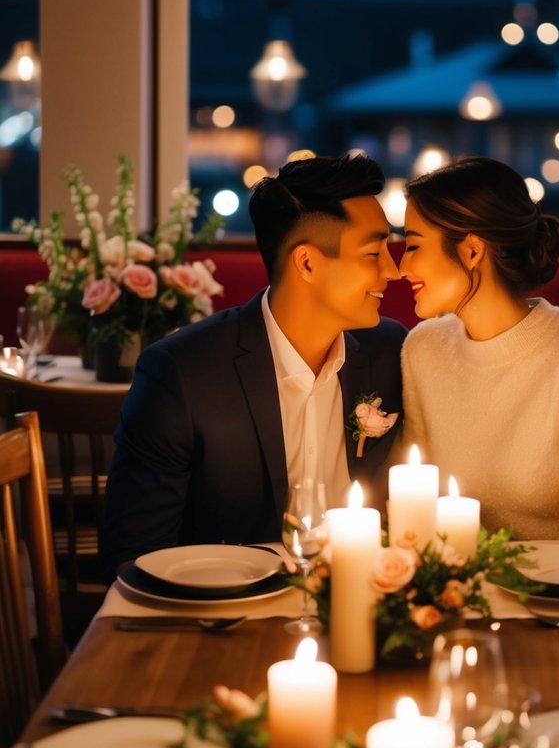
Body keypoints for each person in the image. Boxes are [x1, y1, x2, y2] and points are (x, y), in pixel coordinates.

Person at [102, 153, 405, 580]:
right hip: (227, 614)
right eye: (374, 253)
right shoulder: (182, 375)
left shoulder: (391, 350)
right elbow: (132, 556)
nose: (392, 271)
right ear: (307, 263)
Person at [398, 155, 559, 548]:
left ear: (472, 250)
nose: (402, 266)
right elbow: (414, 511)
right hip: (466, 588)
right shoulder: (422, 348)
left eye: (413, 245)